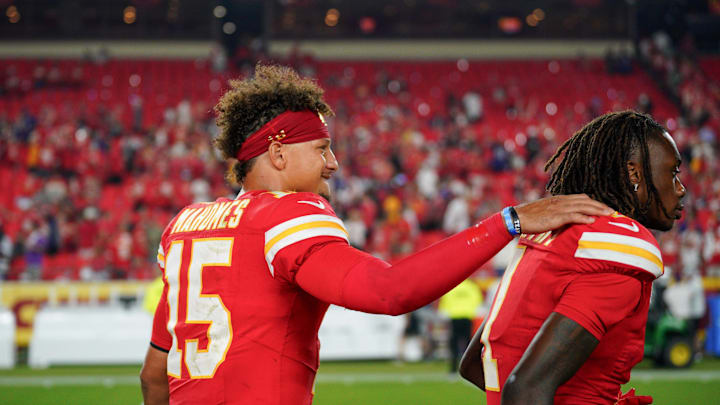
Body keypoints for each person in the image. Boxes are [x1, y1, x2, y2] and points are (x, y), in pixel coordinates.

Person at [139, 64, 612, 405]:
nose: (333, 163)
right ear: (278, 154)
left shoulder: (185, 226)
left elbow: (154, 374)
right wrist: (507, 222)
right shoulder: (288, 215)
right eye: (322, 147)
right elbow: (390, 291)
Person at [459, 110, 686, 405]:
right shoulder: (618, 244)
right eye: (672, 172)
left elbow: (476, 364)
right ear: (634, 174)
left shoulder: (555, 233)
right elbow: (525, 391)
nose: (680, 188)